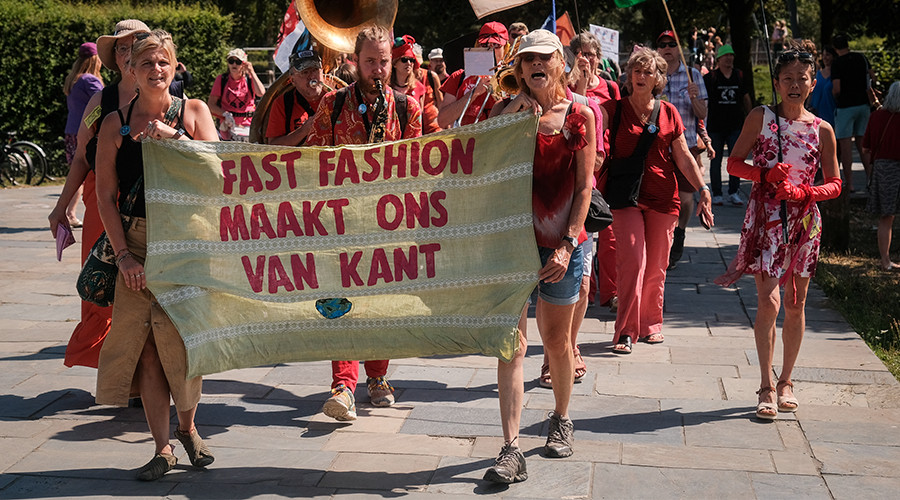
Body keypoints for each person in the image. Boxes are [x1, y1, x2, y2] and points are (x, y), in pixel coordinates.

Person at [94, 29, 219, 480]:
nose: (155, 70)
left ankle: (188, 428)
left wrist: (174, 137)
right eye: (146, 63)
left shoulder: (195, 112)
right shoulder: (114, 124)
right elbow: (106, 196)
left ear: (174, 65)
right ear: (131, 68)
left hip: (186, 243)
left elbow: (220, 175)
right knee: (147, 350)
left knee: (185, 347)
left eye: (163, 62)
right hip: (139, 243)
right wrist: (124, 256)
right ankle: (162, 448)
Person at [485, 29, 596, 484]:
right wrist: (510, 112)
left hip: (559, 246)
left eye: (542, 58)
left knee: (556, 343)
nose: (534, 64)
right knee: (511, 347)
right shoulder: (505, 111)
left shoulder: (580, 113)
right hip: (511, 246)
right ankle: (510, 448)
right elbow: (479, 163)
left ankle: (561, 419)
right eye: (526, 57)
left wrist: (568, 245)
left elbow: (586, 186)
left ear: (559, 64)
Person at [715, 46, 841, 420]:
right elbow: (734, 164)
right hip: (766, 220)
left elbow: (835, 184)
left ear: (812, 83)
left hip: (804, 223)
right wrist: (765, 174)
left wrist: (805, 192)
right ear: (776, 82)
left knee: (795, 303)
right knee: (769, 302)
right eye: (787, 78)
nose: (795, 85)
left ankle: (787, 380)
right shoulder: (761, 116)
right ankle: (765, 385)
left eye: (802, 78)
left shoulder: (823, 130)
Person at [305, 26, 422, 421]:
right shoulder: (332, 105)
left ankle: (377, 376)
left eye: (383, 61)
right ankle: (343, 383)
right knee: (339, 300)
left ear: (393, 61)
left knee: (382, 305)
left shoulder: (408, 108)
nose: (377, 68)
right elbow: (314, 164)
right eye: (369, 61)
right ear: (355, 61)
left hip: (389, 224)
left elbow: (416, 168)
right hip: (340, 223)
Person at [48, 19, 150, 369]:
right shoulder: (100, 99)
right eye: (121, 47)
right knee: (101, 281)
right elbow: (80, 157)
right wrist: (61, 207)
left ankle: (144, 372)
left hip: (150, 206)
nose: (128, 53)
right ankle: (110, 369)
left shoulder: (166, 95)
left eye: (135, 44)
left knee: (147, 287)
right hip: (100, 199)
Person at [602, 47, 713, 355]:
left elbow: (684, 156)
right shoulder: (613, 109)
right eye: (635, 71)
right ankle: (625, 330)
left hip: (664, 197)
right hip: (625, 198)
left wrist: (702, 188)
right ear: (627, 76)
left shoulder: (668, 112)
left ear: (658, 79)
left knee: (656, 267)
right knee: (633, 263)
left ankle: (651, 323)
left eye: (646, 72)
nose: (639, 76)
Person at [655, 30, 709, 269]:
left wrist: (695, 97)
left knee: (686, 200)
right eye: (662, 44)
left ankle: (680, 234)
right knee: (660, 200)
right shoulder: (653, 74)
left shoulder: (692, 75)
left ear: (679, 48)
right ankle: (661, 243)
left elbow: (702, 114)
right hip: (657, 149)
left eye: (671, 44)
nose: (667, 48)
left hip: (686, 147)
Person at [61, 42, 104, 228]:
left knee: (75, 172)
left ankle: (68, 211)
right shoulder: (90, 80)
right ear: (95, 59)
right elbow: (105, 102)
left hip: (71, 130)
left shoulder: (73, 79)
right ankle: (70, 213)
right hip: (86, 132)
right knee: (83, 174)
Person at [704, 44, 752, 206]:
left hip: (735, 125)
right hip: (716, 126)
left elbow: (745, 97)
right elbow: (703, 100)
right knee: (715, 160)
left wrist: (751, 117)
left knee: (735, 160)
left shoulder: (739, 75)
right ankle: (717, 193)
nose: (729, 58)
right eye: (726, 56)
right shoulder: (711, 78)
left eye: (731, 55)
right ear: (719, 59)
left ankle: (734, 191)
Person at [438, 21, 508, 128]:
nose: (491, 50)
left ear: (506, 48)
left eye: (496, 45)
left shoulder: (513, 77)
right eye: (485, 45)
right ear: (477, 45)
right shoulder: (459, 76)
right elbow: (442, 121)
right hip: (465, 142)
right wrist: (474, 93)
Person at [862, 81, 900, 271]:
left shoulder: (876, 116)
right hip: (894, 167)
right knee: (889, 216)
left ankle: (885, 260)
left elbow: (866, 147)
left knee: (886, 216)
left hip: (882, 168)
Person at [832, 34, 876, 192]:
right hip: (863, 105)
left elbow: (837, 88)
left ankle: (849, 183)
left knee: (845, 146)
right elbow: (872, 76)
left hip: (845, 106)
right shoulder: (861, 58)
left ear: (835, 48)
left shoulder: (837, 63)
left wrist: (835, 96)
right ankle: (871, 180)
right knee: (863, 145)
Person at [264, 50, 325, 146]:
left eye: (315, 70)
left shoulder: (337, 98)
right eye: (305, 72)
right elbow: (273, 146)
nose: (312, 77)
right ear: (292, 80)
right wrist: (303, 131)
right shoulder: (283, 103)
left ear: (322, 72)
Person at [207, 48, 265, 141]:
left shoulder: (249, 80)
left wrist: (252, 72)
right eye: (231, 61)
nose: (234, 64)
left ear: (244, 64)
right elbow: (211, 105)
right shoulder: (222, 79)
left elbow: (261, 93)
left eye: (238, 62)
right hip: (227, 126)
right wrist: (225, 114)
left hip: (248, 125)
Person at [391, 35, 441, 134]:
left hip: (413, 139)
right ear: (395, 63)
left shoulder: (419, 87)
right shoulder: (386, 88)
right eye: (404, 60)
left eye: (412, 60)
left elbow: (419, 119)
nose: (409, 63)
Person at [809, 46, 838, 128]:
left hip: (830, 110)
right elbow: (812, 91)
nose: (825, 57)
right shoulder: (818, 73)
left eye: (828, 55)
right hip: (816, 110)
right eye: (823, 55)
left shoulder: (836, 75)